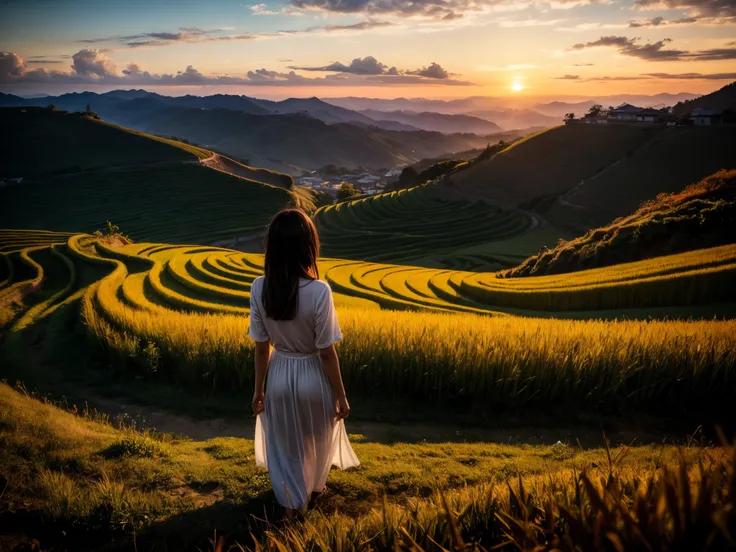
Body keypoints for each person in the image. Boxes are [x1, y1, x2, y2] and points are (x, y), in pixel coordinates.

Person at [249, 209, 359, 516]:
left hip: (279, 376)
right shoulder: (319, 291)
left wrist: (258, 390)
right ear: (308, 246)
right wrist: (341, 394)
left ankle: (290, 501)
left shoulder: (259, 287)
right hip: (312, 376)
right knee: (316, 436)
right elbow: (326, 352)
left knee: (285, 444)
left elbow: (261, 348)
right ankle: (307, 495)